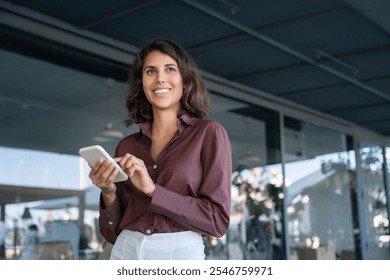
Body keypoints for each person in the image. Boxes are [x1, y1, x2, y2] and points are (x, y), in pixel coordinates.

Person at [89, 38, 232, 260]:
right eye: (150, 71)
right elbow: (111, 231)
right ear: (142, 83)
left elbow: (217, 221)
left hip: (179, 254)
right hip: (125, 251)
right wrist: (108, 192)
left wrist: (153, 191)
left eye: (169, 69)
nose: (160, 78)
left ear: (185, 80)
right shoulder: (127, 146)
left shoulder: (209, 134)